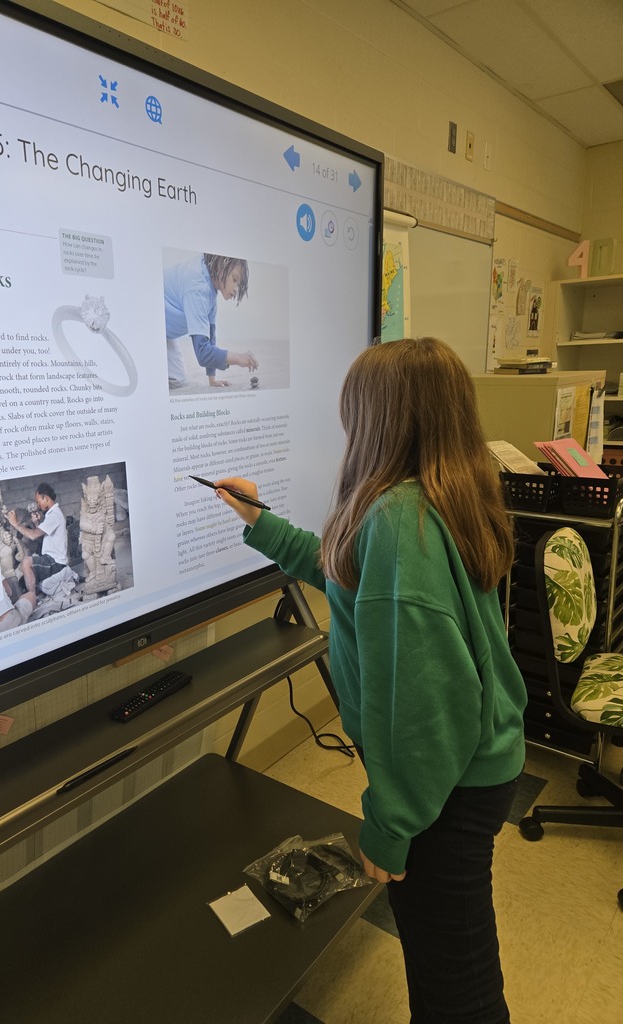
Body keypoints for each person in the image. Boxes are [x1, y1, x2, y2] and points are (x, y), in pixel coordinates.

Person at [216, 337, 527, 1024]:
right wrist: (258, 521)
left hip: (447, 783)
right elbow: (340, 569)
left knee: (457, 983)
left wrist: (390, 828)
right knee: (458, 952)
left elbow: (424, 713)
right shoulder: (441, 493)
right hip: (476, 765)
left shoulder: (396, 522)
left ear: (381, 421)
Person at [163, 252, 258, 388]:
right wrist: (238, 358)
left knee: (178, 381)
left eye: (239, 284)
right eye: (235, 279)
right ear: (221, 265)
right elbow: (202, 353)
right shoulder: (198, 287)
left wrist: (212, 380)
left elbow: (210, 339)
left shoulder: (211, 291)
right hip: (149, 321)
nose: (236, 289)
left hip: (167, 333)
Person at [5, 482, 68, 594]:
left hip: (56, 562)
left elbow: (33, 535)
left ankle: (32, 596)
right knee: (23, 581)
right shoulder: (51, 514)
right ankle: (33, 590)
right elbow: (43, 536)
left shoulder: (54, 515)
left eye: (39, 502)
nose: (38, 506)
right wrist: (38, 523)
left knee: (26, 562)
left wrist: (15, 524)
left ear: (46, 498)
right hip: (50, 559)